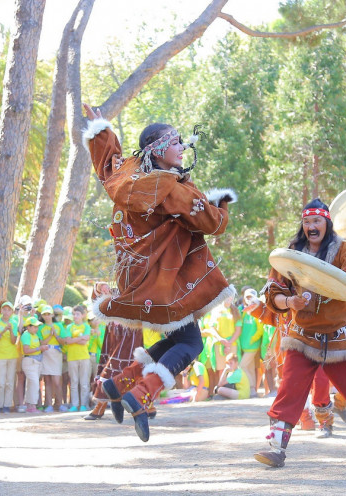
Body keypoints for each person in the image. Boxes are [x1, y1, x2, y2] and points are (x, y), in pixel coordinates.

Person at [83, 104, 234, 443]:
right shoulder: (169, 186)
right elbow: (209, 223)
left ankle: (118, 384)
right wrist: (221, 204)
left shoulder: (129, 175)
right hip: (162, 280)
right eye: (176, 141)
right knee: (192, 343)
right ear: (157, 148)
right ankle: (142, 392)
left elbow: (108, 163)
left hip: (143, 278)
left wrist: (101, 131)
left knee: (180, 338)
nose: (182, 146)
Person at [254, 198, 346, 468]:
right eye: (307, 222)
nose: (311, 226)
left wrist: (323, 279)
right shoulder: (290, 254)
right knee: (289, 390)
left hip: (341, 336)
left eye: (317, 221)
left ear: (327, 223)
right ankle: (276, 448)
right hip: (303, 335)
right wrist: (290, 303)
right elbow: (273, 293)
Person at [61, 305, 91, 412]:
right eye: (74, 314)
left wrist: (74, 339)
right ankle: (74, 404)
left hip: (84, 357)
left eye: (77, 314)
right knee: (73, 382)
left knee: (84, 382)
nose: (75, 316)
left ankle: (83, 404)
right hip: (72, 357)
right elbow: (68, 341)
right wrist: (80, 338)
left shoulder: (86, 326)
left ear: (83, 315)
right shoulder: (69, 327)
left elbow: (85, 340)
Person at [235, 288, 264, 397]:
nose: (249, 299)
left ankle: (251, 388)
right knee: (250, 368)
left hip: (252, 345)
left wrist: (252, 339)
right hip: (244, 345)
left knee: (242, 366)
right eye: (247, 297)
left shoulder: (257, 309)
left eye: (251, 296)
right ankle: (253, 392)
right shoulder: (242, 310)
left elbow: (260, 329)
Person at [0, 301, 19, 413]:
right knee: (0, 382)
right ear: (1, 310)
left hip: (12, 356)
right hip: (0, 356)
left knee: (9, 382)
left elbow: (14, 341)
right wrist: (3, 331)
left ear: (12, 312)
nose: (6, 312)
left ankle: (7, 405)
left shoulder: (14, 323)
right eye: (4, 309)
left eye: (9, 310)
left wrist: (11, 330)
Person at [38, 305, 65, 412]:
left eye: (49, 314)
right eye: (44, 314)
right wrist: (50, 335)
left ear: (52, 314)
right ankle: (49, 404)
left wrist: (56, 335)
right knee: (47, 380)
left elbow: (63, 342)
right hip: (45, 353)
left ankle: (59, 403)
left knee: (57, 381)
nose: (47, 316)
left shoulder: (59, 326)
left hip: (56, 353)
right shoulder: (40, 327)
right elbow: (41, 343)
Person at [20, 316, 47, 413]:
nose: (36, 328)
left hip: (36, 362)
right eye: (34, 326)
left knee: (32, 384)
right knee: (34, 383)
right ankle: (31, 406)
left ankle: (29, 405)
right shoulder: (26, 335)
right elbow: (26, 350)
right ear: (28, 327)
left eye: (37, 326)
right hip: (29, 361)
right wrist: (39, 349)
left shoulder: (35, 335)